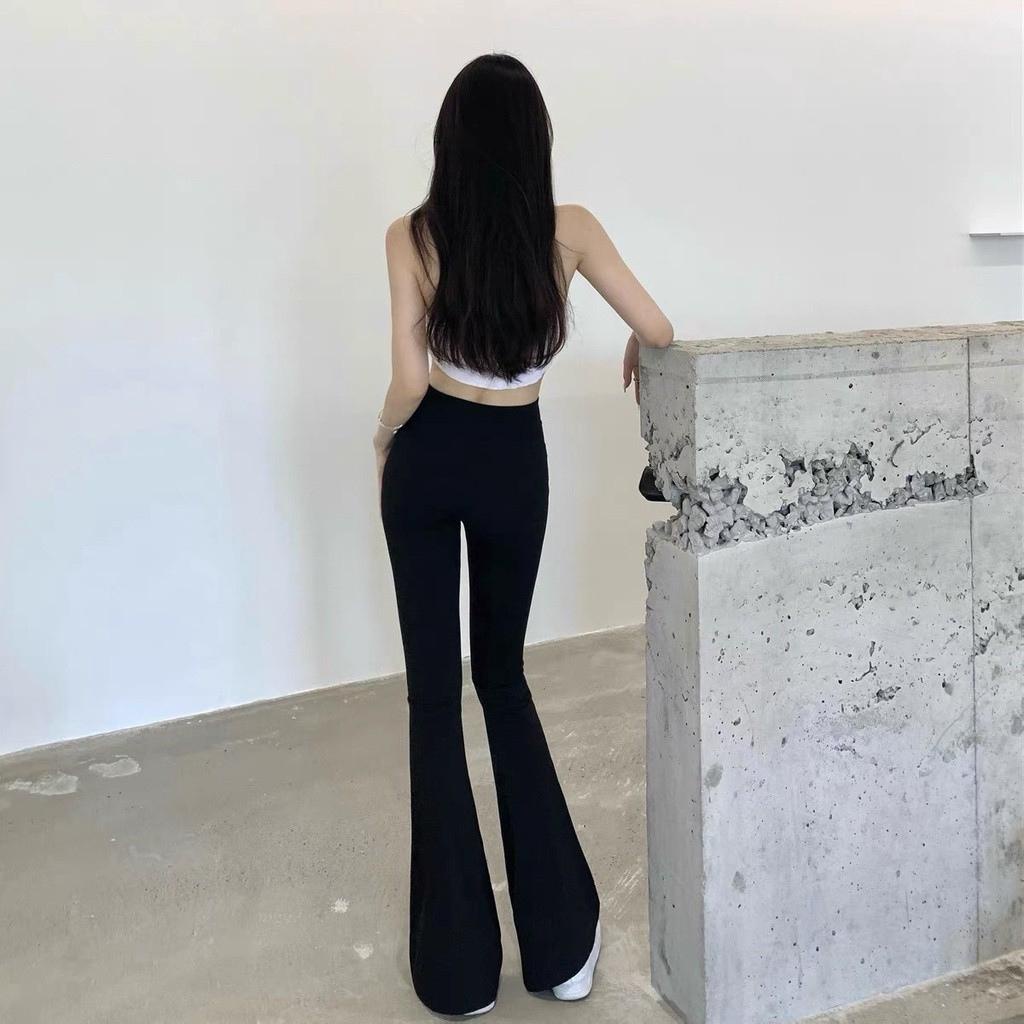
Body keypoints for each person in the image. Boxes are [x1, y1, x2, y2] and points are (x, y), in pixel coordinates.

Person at [374, 52, 674, 1018]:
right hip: (513, 464)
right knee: (501, 678)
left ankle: (458, 977)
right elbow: (660, 327)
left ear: (451, 142)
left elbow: (409, 381)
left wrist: (382, 440)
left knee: (433, 697)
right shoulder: (569, 229)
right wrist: (635, 342)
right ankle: (562, 953)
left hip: (428, 460)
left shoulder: (412, 235)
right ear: (533, 141)